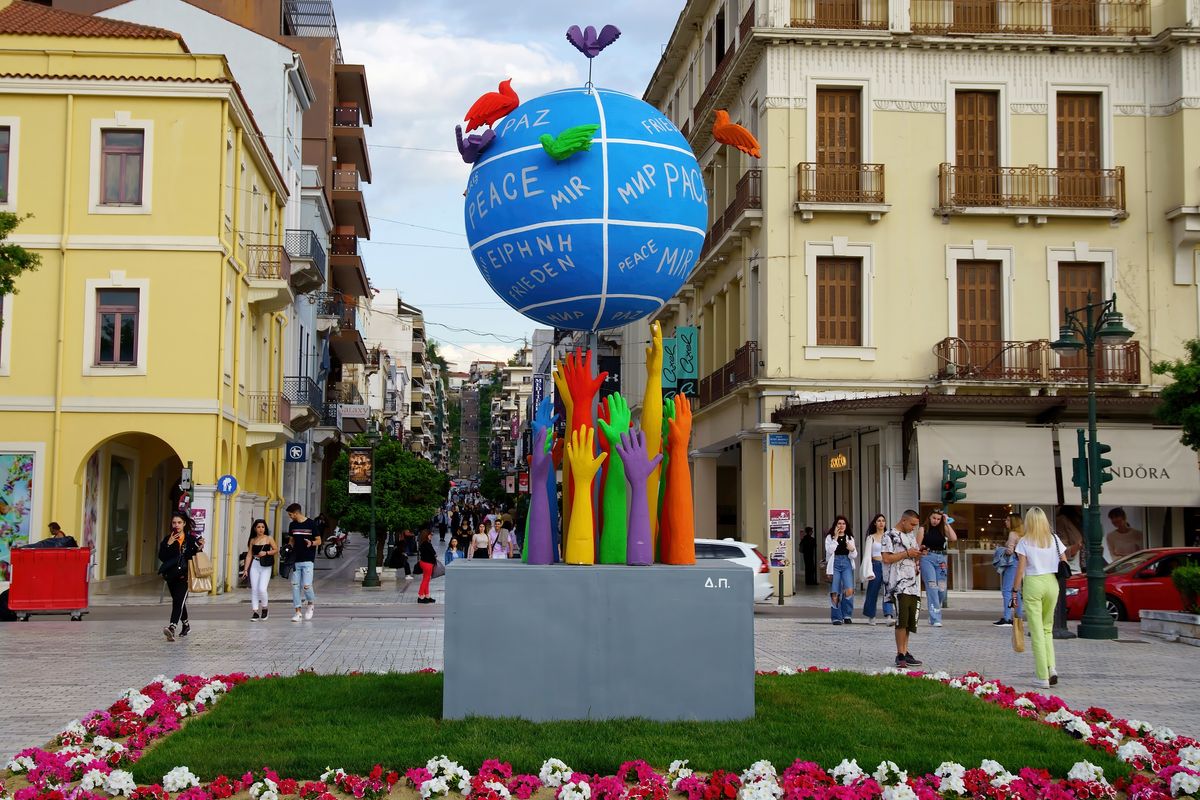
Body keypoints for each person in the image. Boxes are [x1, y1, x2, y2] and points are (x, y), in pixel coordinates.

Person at [1014, 506, 1067, 689]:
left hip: (1033, 583)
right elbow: (1064, 560)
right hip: (1052, 583)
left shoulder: (1024, 541)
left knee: (1036, 631)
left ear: (1028, 521)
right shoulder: (1054, 539)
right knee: (1047, 629)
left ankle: (1041, 676)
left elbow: (1021, 568)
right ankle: (1051, 668)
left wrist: (1014, 590)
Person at [881, 509, 923, 668]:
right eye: (912, 524)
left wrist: (919, 553)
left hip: (913, 583)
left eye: (916, 525)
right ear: (903, 520)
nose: (913, 527)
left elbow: (913, 554)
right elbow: (886, 558)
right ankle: (900, 654)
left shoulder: (910, 536)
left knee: (910, 621)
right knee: (902, 619)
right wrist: (907, 553)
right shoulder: (889, 536)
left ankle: (905, 651)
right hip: (898, 584)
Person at [157, 512, 204, 641]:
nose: (176, 525)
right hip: (171, 575)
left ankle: (172, 627)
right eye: (174, 523)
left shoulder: (191, 539)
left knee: (178, 600)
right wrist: (169, 544)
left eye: (179, 522)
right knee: (179, 601)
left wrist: (200, 547)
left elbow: (197, 555)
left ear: (184, 524)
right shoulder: (168, 538)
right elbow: (162, 557)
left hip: (186, 575)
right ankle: (186, 625)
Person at [917, 508, 957, 627]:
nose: (936, 521)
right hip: (927, 558)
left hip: (941, 559)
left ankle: (933, 611)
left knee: (942, 589)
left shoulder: (943, 528)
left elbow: (954, 538)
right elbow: (916, 546)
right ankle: (935, 618)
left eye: (938, 519)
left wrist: (946, 523)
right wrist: (917, 561)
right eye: (934, 518)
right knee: (932, 587)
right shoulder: (922, 529)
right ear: (929, 517)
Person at [286, 502, 321, 623]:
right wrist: (288, 547)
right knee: (295, 586)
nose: (290, 517)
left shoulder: (311, 524)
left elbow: (319, 541)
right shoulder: (292, 525)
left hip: (308, 559)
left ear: (296, 513)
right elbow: (291, 540)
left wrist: (311, 543)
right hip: (296, 560)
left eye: (290, 514)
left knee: (306, 586)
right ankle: (298, 612)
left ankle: (311, 603)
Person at [1053, 507, 1084, 640]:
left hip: (1080, 566)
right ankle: (1059, 625)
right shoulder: (1063, 521)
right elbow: (1064, 551)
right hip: (1072, 568)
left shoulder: (1080, 520)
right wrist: (1077, 547)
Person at [240, 519, 278, 621]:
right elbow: (249, 555)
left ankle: (265, 608)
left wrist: (266, 553)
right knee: (255, 589)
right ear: (255, 528)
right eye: (258, 527)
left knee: (262, 588)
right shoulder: (252, 540)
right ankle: (255, 611)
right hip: (255, 564)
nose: (261, 529)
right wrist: (245, 569)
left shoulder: (269, 538)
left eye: (263, 527)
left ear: (265, 528)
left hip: (265, 565)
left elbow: (276, 549)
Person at [861, 514, 895, 625]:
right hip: (875, 564)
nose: (881, 523)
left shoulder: (889, 537)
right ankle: (871, 615)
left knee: (888, 591)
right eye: (879, 521)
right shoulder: (871, 537)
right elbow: (867, 555)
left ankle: (889, 615)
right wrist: (868, 570)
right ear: (875, 523)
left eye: (883, 521)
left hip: (887, 565)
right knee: (873, 590)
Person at [824, 515, 856, 624]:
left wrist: (852, 550)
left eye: (843, 523)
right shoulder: (830, 537)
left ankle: (847, 614)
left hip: (846, 563)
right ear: (835, 525)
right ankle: (836, 617)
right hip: (835, 564)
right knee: (835, 591)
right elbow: (829, 551)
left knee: (849, 590)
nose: (841, 526)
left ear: (846, 526)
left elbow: (854, 555)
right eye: (839, 523)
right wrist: (836, 538)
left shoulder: (850, 538)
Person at [994, 513, 1024, 627]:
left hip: (1012, 564)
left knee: (1007, 591)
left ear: (1013, 522)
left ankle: (1007, 618)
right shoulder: (1023, 534)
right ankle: (1018, 616)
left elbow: (1010, 551)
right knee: (1016, 591)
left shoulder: (1012, 534)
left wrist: (1001, 549)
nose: (1005, 522)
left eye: (1007, 520)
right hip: (1020, 563)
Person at [417, 529, 438, 604]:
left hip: (423, 563)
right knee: (426, 580)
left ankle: (427, 596)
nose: (431, 536)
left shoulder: (422, 543)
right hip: (428, 564)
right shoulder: (427, 544)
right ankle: (420, 596)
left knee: (426, 580)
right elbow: (434, 553)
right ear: (426, 535)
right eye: (430, 535)